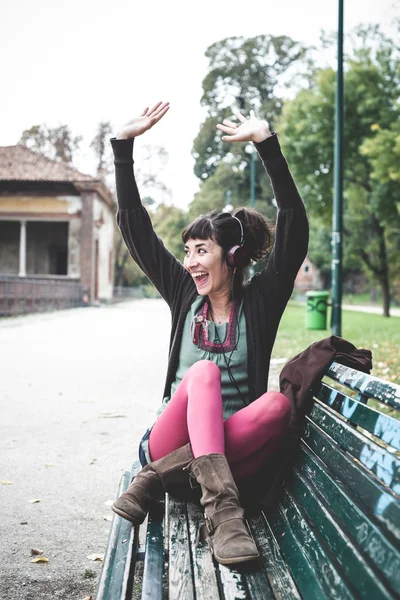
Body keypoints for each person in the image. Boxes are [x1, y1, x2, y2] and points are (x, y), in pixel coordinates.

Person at [110, 101, 309, 565]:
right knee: (202, 375)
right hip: (171, 440)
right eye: (188, 251)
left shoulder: (258, 305)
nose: (191, 261)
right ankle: (223, 516)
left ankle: (155, 477)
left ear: (233, 257)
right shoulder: (184, 294)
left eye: (202, 250)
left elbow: (295, 230)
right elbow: (135, 228)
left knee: (277, 404)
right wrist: (123, 148)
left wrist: (267, 145)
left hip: (229, 455)